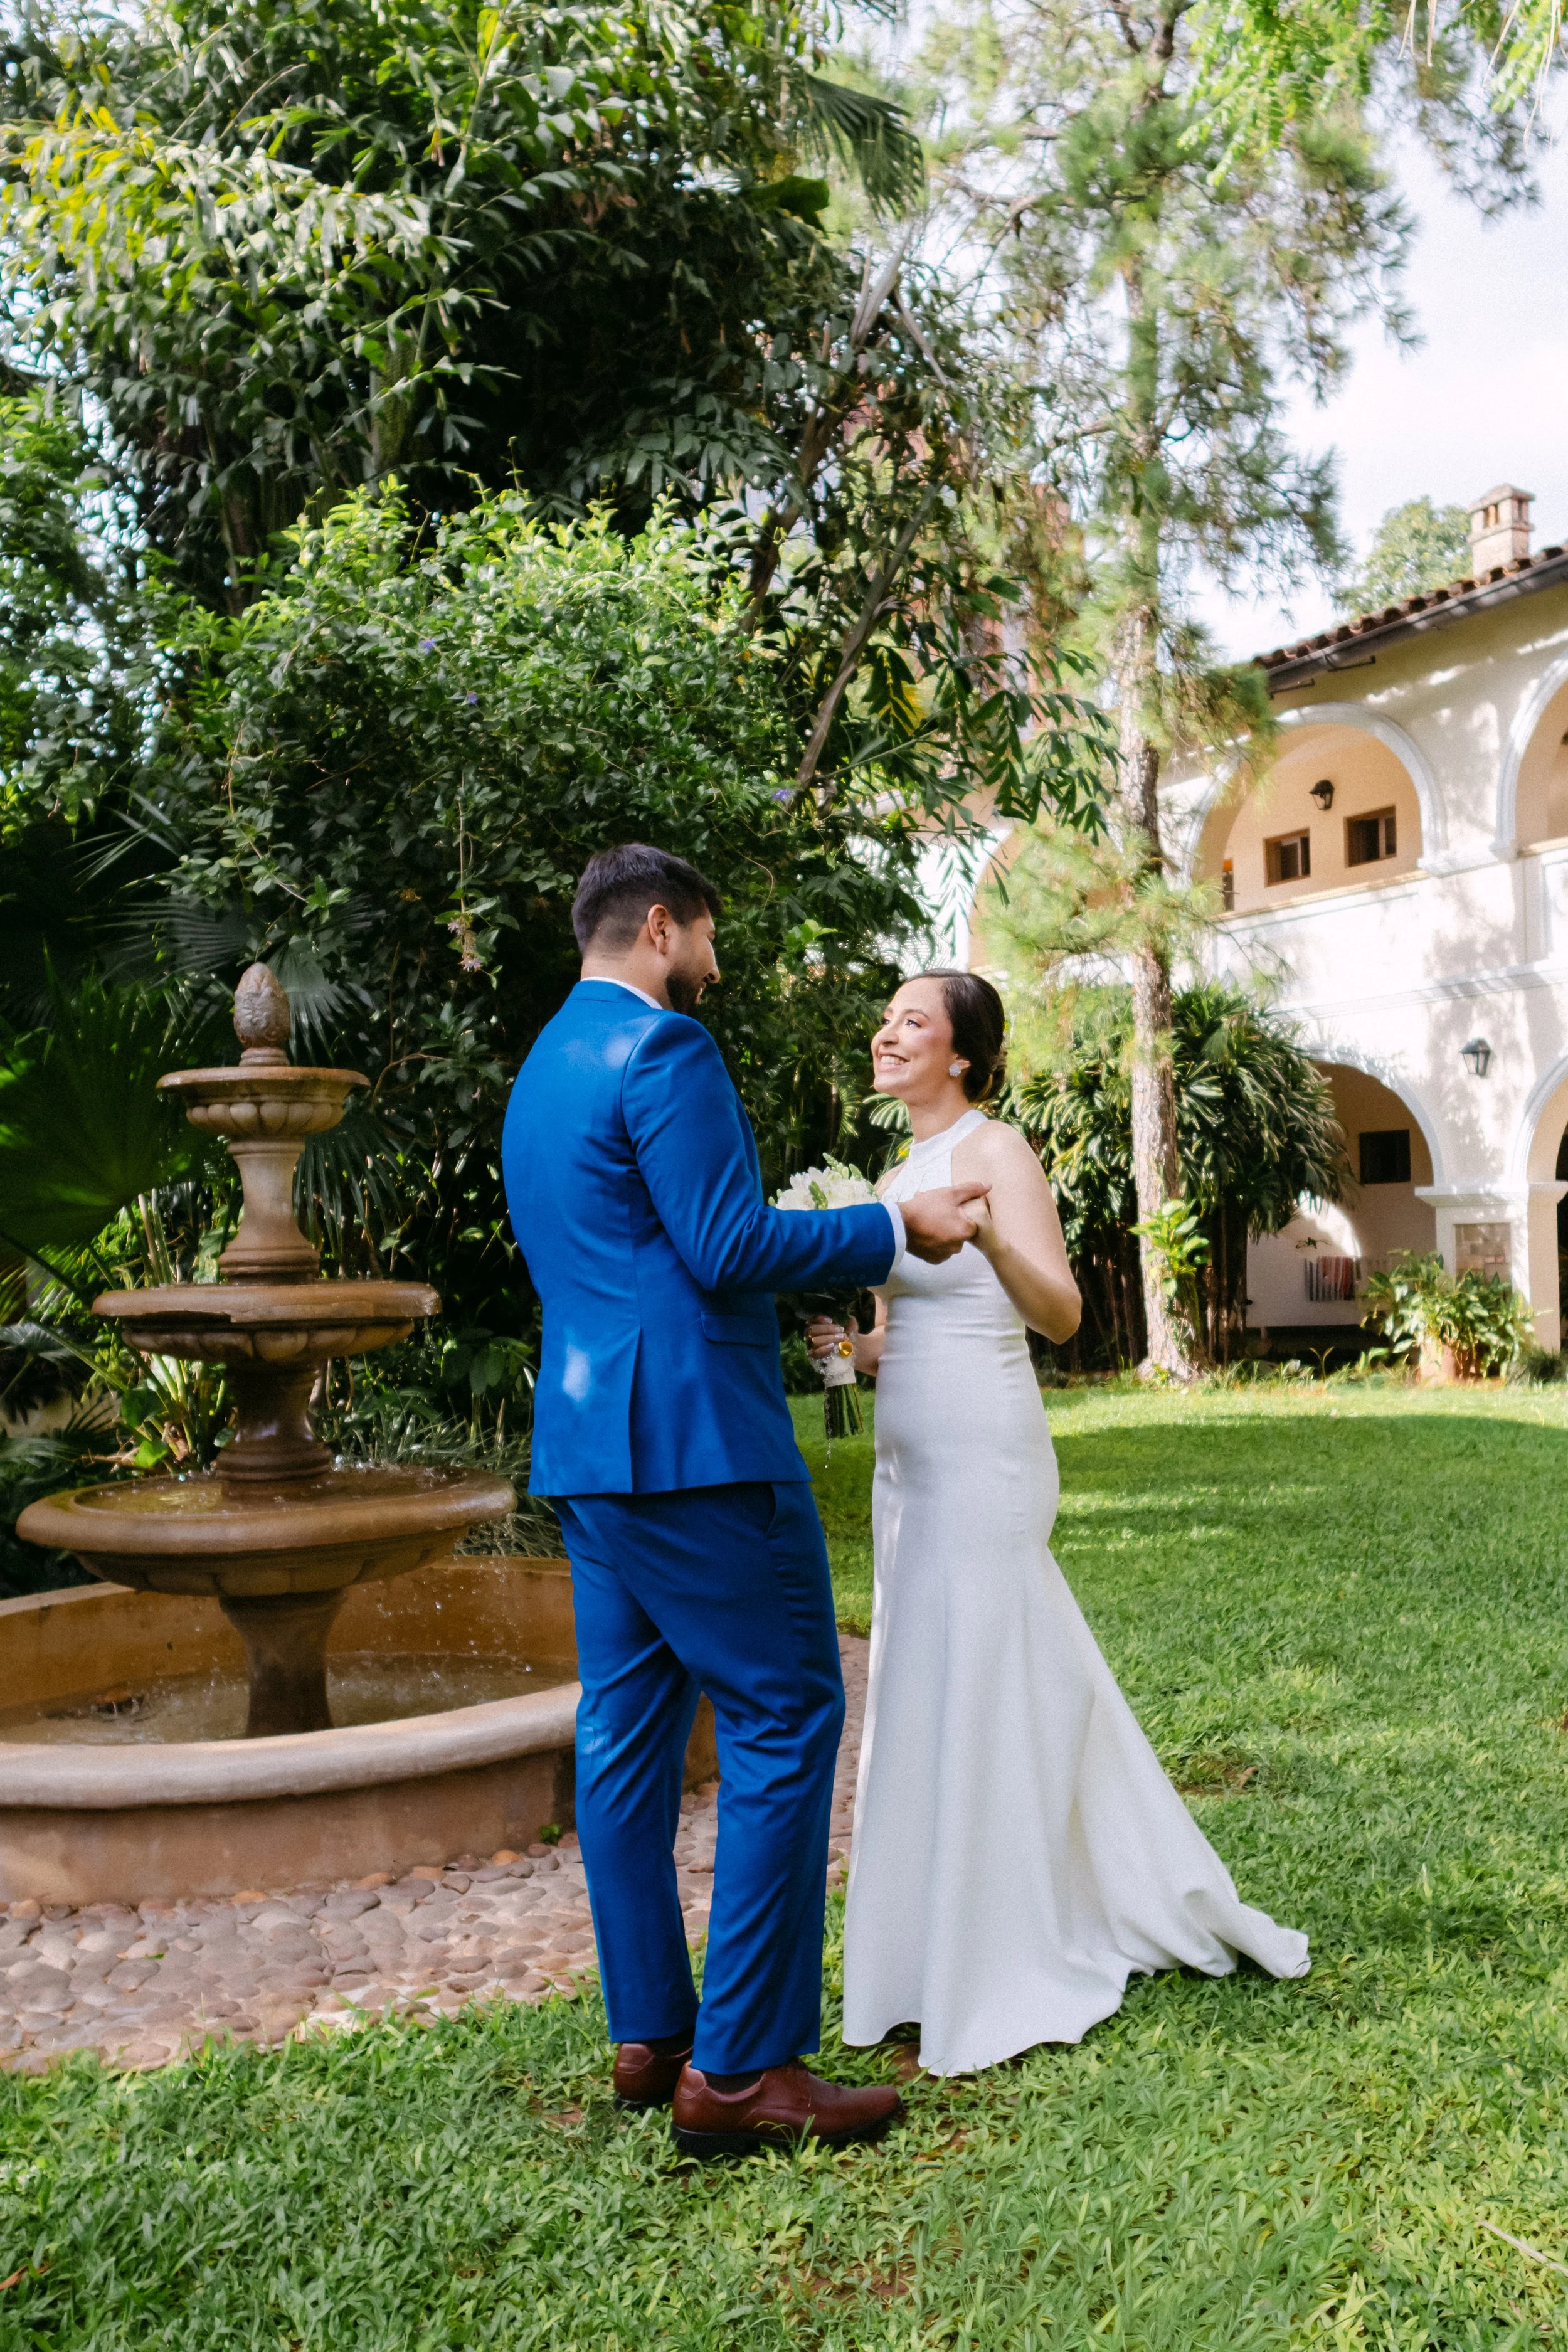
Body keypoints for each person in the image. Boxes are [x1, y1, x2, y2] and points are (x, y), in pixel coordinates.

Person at [501, 847, 991, 2156]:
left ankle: (650, 2029)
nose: (713, 960)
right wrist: (893, 1226)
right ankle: (744, 2070)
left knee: (624, 1733)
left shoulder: (544, 1068)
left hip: (589, 1450)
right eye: (707, 934)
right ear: (659, 927)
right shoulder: (662, 1054)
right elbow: (723, 1249)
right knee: (785, 1711)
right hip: (698, 1446)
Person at [808, 970, 1309, 2077]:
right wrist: (847, 1353)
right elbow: (898, 1334)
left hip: (988, 1453)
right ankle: (920, 1956)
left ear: (964, 1058)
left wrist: (984, 1244)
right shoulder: (892, 1175)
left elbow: (1064, 1313)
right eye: (887, 1018)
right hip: (909, 1469)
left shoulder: (997, 1152)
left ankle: (1008, 1949)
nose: (888, 1033)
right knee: (926, 1682)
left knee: (986, 1676)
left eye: (913, 1021)